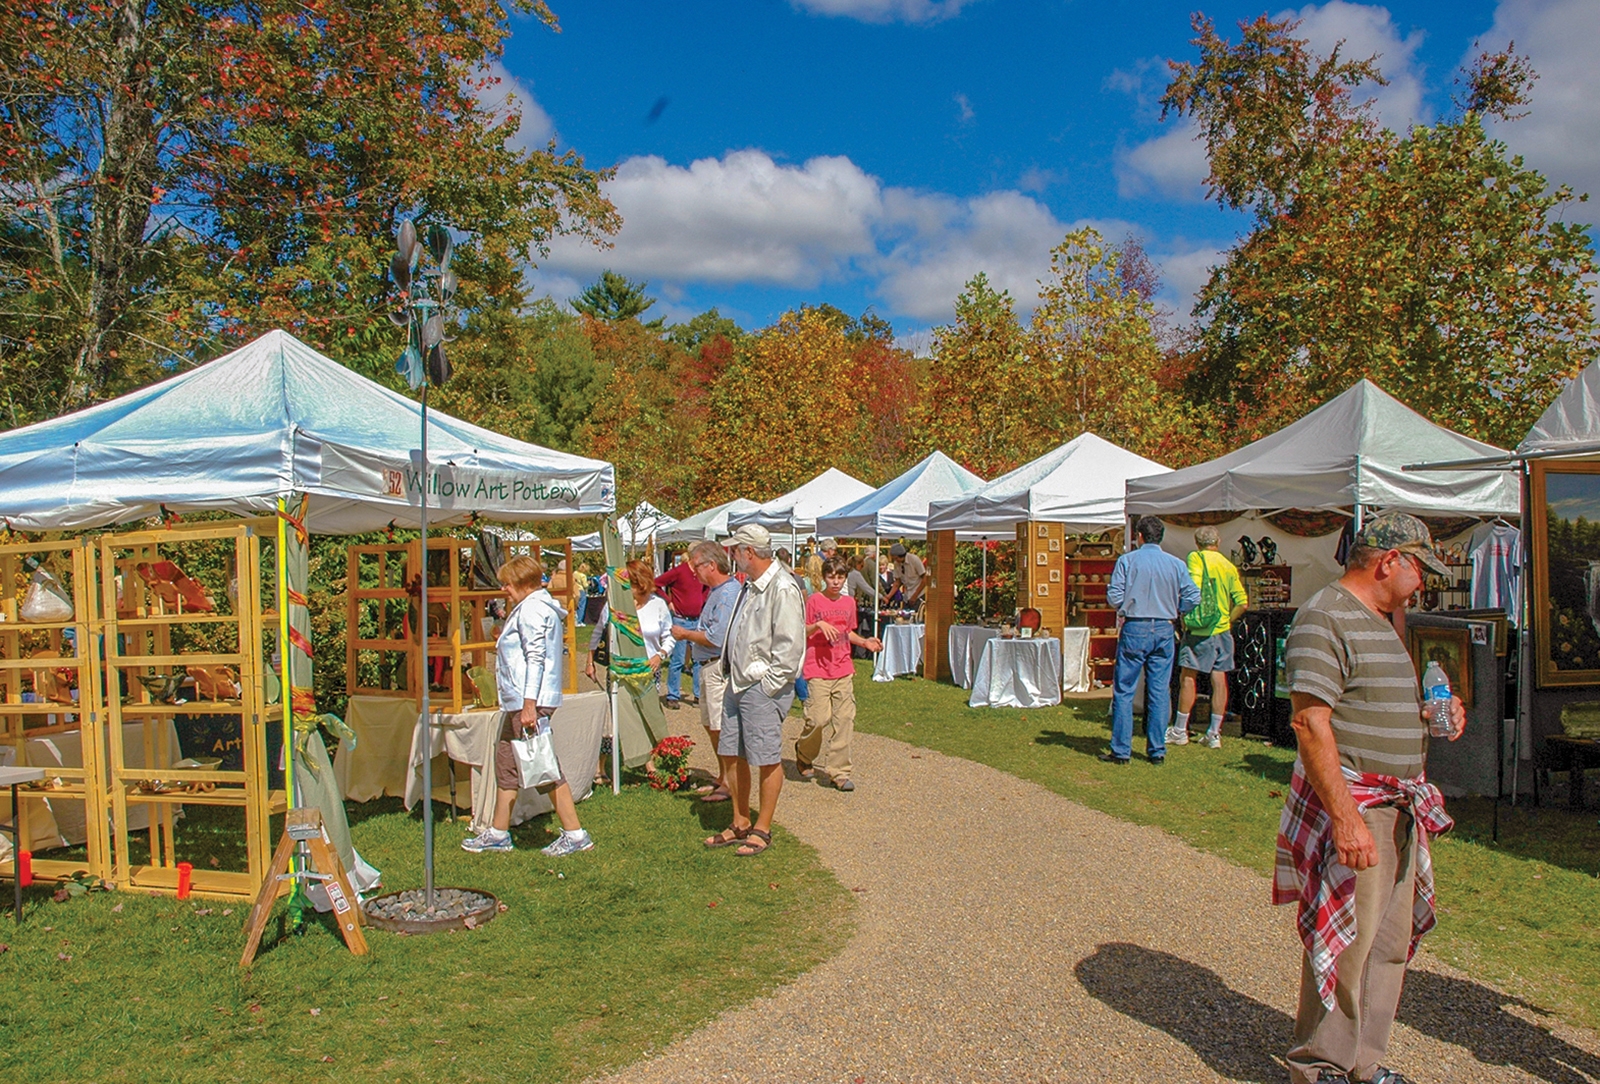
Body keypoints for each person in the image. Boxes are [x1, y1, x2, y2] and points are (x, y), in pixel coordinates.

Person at [1275, 512, 1464, 1084]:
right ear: (1390, 561)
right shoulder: (1325, 617)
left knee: (1387, 944)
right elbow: (1310, 721)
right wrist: (1346, 819)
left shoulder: (1385, 620)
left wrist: (1438, 716)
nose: (1424, 581)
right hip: (1363, 807)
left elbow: (1375, 705)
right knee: (1348, 943)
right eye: (1420, 568)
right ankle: (1321, 1064)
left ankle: (1365, 1062)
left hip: (1399, 808)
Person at [462, 554, 593, 856]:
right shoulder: (532, 608)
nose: (504, 589)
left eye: (507, 584)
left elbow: (536, 658)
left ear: (523, 583)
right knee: (507, 763)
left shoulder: (533, 610)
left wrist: (529, 705)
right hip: (523, 700)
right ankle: (498, 831)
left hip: (529, 700)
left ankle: (575, 834)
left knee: (543, 766)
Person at [703, 524, 804, 858]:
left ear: (748, 552)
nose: (732, 555)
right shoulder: (752, 586)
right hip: (738, 681)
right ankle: (740, 820)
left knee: (766, 756)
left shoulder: (782, 587)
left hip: (760, 686)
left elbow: (789, 647)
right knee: (732, 753)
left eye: (735, 550)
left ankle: (763, 827)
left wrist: (769, 685)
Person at [1102, 516, 1199, 765]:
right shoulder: (1175, 564)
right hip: (1164, 627)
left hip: (1136, 624)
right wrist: (1177, 608)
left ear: (1139, 536)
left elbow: (1114, 596)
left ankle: (1122, 750)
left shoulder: (1127, 561)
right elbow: (1193, 596)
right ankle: (1156, 750)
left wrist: (1127, 604)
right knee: (1159, 690)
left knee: (1124, 690)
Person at [795, 555, 883, 791]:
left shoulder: (848, 603)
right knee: (818, 719)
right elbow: (800, 631)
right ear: (824, 578)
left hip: (843, 668)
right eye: (831, 577)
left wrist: (865, 642)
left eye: (840, 577)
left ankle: (839, 772)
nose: (835, 582)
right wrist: (818, 625)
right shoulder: (814, 600)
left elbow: (848, 632)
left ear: (845, 578)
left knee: (844, 720)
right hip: (817, 669)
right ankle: (804, 753)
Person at [1168, 525, 1251, 749]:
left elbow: (1193, 588)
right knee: (1219, 678)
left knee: (1188, 676)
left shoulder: (1195, 557)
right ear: (1219, 541)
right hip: (1222, 630)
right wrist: (1227, 620)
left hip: (1199, 629)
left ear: (1197, 543)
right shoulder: (1228, 565)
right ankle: (1214, 733)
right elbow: (1242, 603)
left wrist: (1186, 614)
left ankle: (1180, 729)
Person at [673, 541, 740, 803]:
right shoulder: (717, 591)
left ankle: (730, 783)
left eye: (696, 566)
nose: (694, 572)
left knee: (720, 727)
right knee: (710, 725)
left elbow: (717, 636)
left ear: (712, 565)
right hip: (707, 666)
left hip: (716, 665)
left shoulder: (726, 593)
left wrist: (685, 634)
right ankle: (723, 777)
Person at [584, 558, 675, 687]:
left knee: (648, 708)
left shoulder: (658, 605)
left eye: (626, 582)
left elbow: (669, 637)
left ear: (640, 582)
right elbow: (598, 633)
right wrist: (589, 663)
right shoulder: (614, 605)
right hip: (618, 672)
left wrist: (660, 656)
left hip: (648, 672)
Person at [654, 550, 710, 711]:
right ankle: (673, 695)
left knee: (698, 659)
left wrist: (702, 600)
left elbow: (707, 587)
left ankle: (698, 695)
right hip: (680, 620)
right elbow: (656, 583)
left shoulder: (701, 572)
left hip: (697, 620)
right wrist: (668, 601)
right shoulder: (679, 571)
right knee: (678, 659)